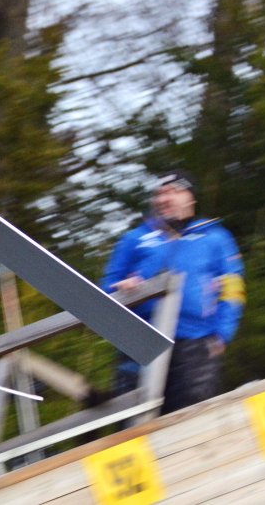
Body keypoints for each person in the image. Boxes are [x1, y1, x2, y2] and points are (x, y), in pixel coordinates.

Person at [100, 170, 246, 414]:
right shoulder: (134, 239)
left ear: (191, 198)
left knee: (192, 421)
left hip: (195, 346)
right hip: (139, 344)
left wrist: (222, 335)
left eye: (174, 191)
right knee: (133, 427)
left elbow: (233, 289)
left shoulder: (216, 237)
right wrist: (121, 290)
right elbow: (105, 288)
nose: (164, 199)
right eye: (159, 194)